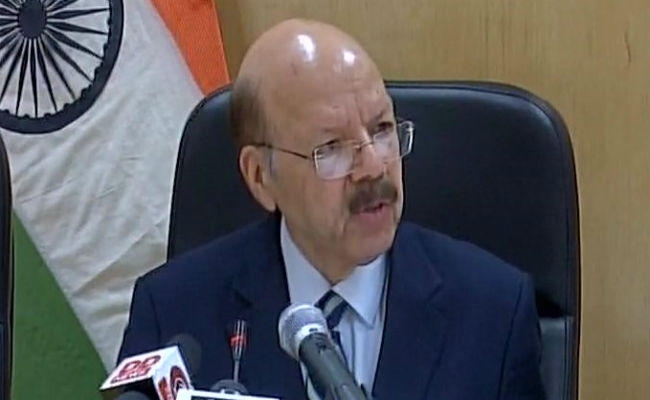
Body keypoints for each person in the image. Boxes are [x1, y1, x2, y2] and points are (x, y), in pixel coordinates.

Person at [118, 19, 545, 400]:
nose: (374, 166)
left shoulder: (493, 312)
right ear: (260, 177)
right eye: (332, 148)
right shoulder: (173, 312)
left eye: (382, 129)